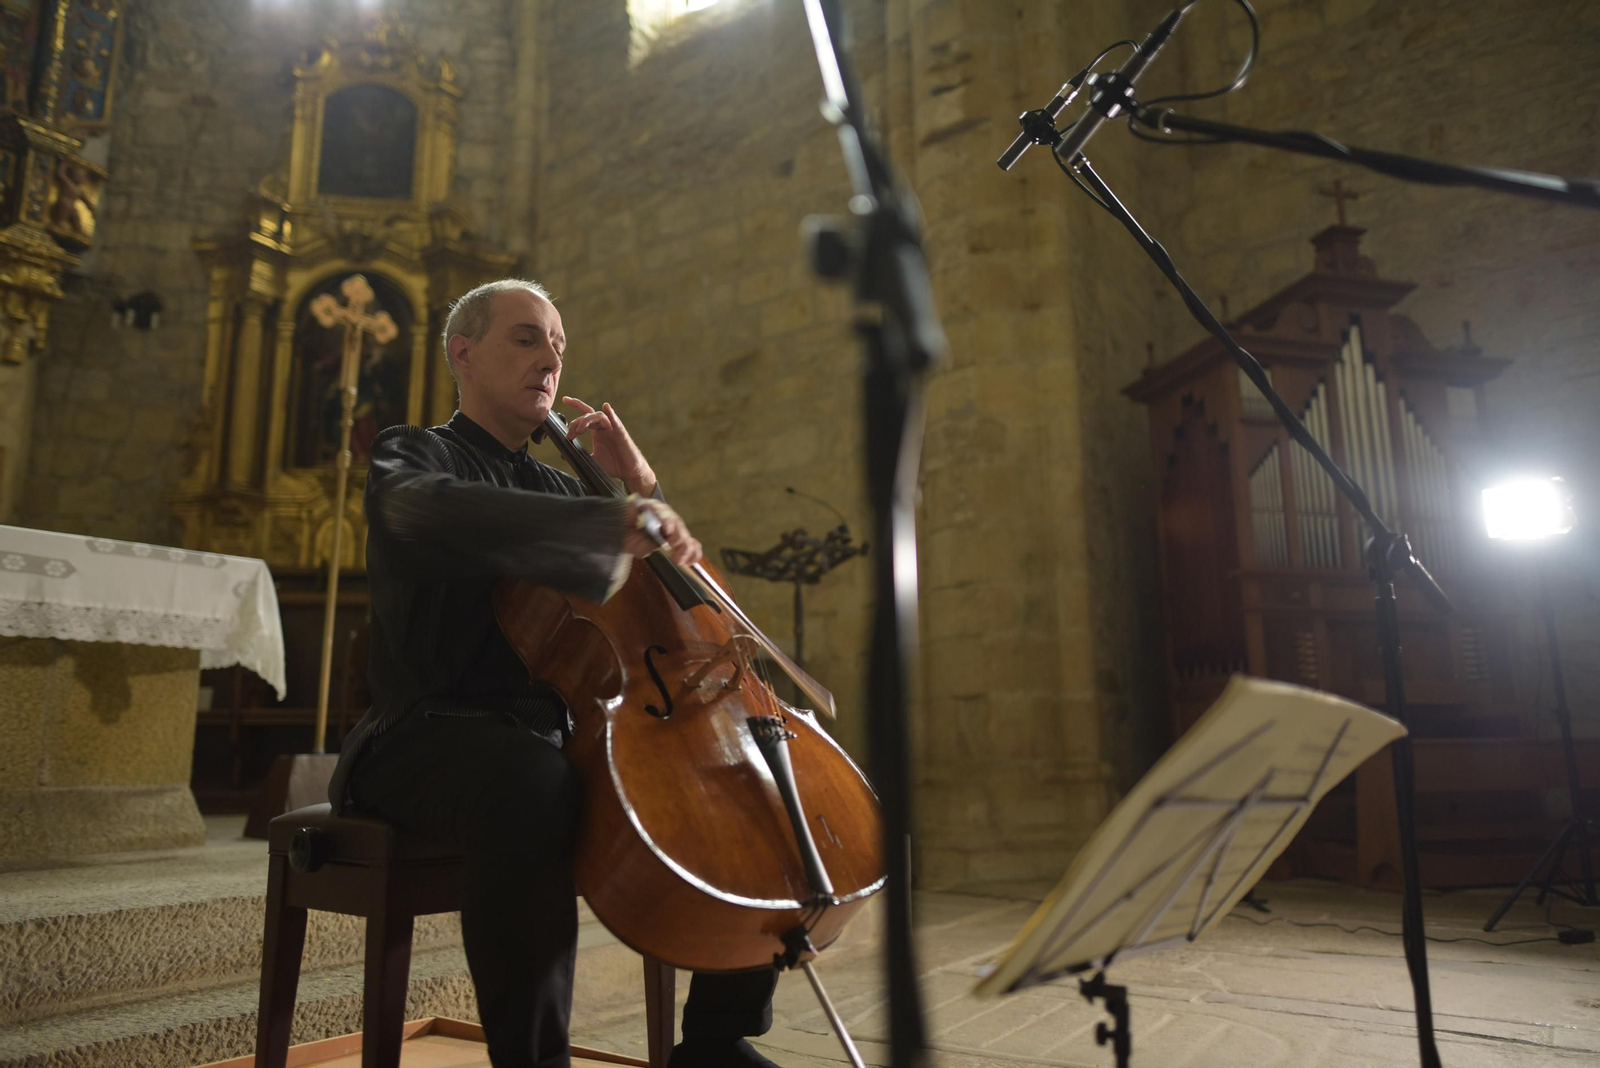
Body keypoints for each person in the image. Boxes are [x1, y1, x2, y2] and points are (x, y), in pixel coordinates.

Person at [328, 279, 782, 1068]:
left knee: (737, 773)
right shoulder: (415, 452)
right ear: (462, 354)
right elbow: (420, 511)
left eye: (559, 346)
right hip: (418, 736)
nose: (551, 360)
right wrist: (607, 515)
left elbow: (673, 596)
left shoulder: (559, 485)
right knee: (532, 781)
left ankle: (716, 1040)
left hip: (544, 738)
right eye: (527, 338)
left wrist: (639, 489)